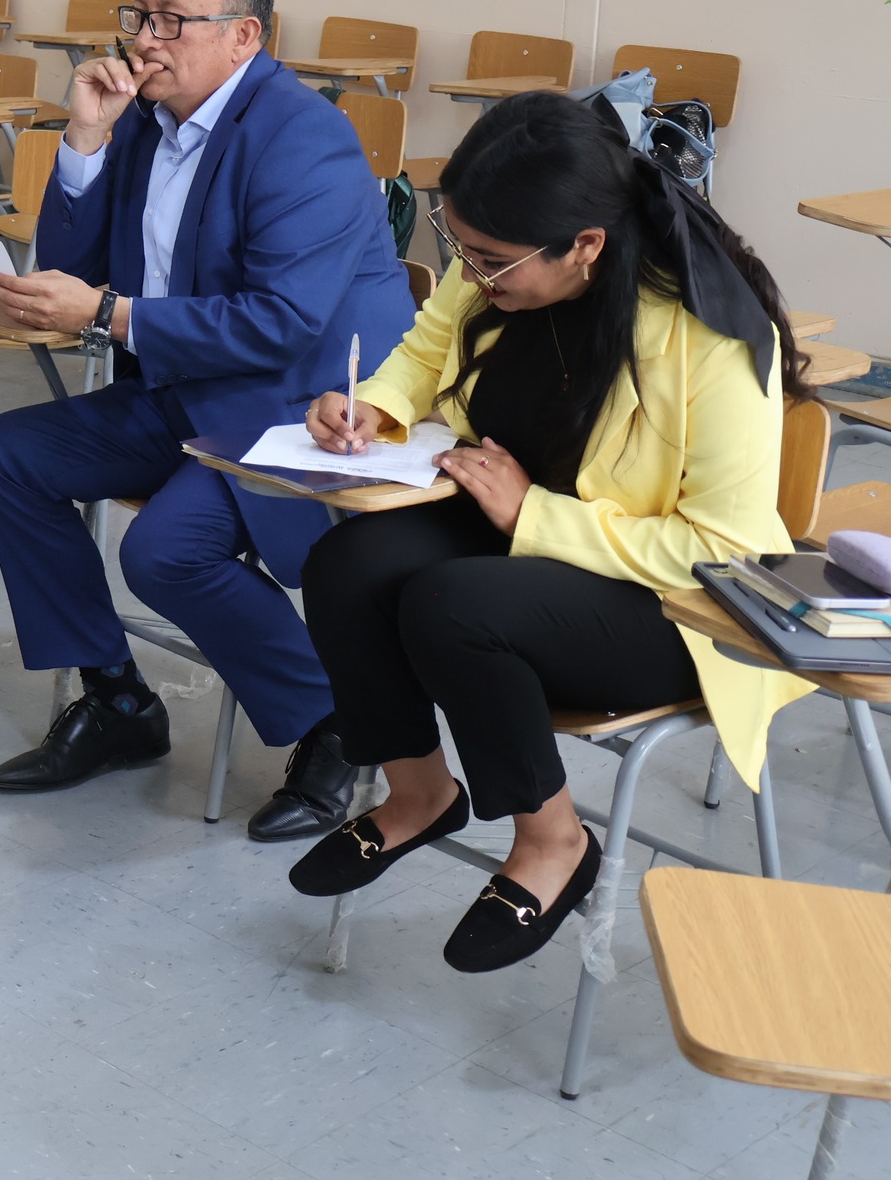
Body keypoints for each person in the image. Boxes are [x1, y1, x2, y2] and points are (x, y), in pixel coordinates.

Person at [288, 91, 814, 972]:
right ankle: (420, 794)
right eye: (459, 247)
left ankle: (553, 841)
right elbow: (424, 352)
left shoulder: (711, 337)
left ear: (586, 247)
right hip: (522, 544)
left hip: (672, 603)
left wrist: (533, 512)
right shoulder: (499, 260)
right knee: (346, 564)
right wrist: (372, 406)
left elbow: (716, 550)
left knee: (450, 605)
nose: (469, 271)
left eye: (490, 259)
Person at [0, 0, 415, 841]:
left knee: (164, 551)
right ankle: (119, 700)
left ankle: (341, 719)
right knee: (9, 454)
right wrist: (84, 139)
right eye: (139, 14)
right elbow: (73, 268)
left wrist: (108, 314)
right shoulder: (144, 120)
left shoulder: (306, 138)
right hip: (187, 385)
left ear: (244, 35)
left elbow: (282, 322)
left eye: (171, 19)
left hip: (296, 406)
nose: (144, 38)